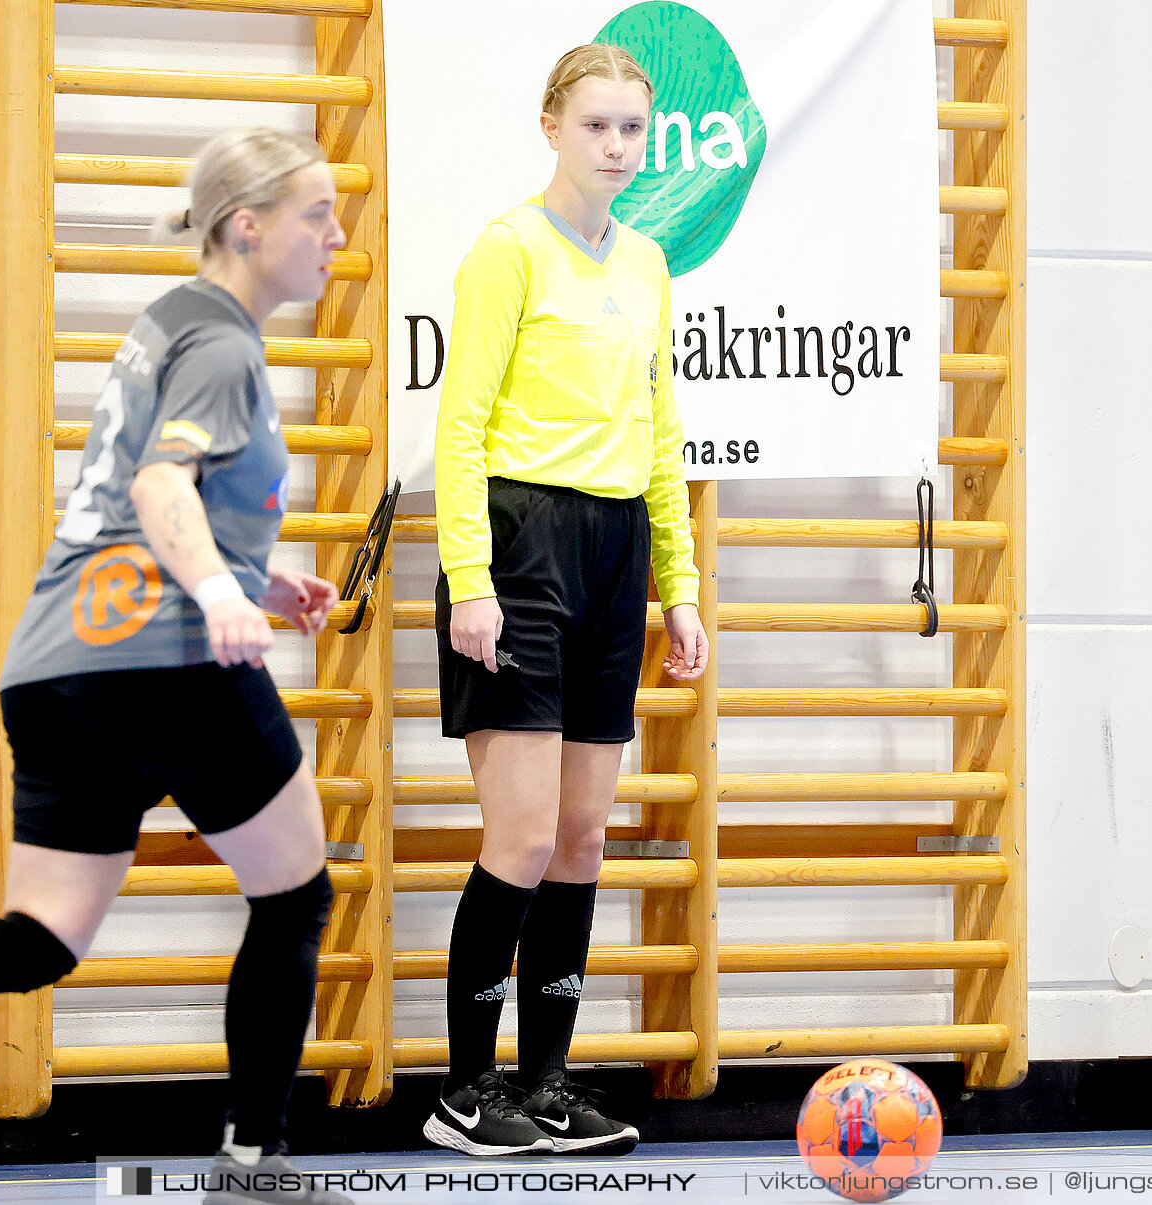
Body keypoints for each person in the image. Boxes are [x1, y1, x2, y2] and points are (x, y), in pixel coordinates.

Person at [0, 128, 352, 1205]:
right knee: (294, 895)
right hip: (165, 659)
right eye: (316, 214)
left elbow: (130, 508)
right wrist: (224, 594)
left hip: (57, 665)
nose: (335, 235)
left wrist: (258, 576)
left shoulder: (165, 324)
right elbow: (157, 491)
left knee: (43, 935)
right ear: (248, 226)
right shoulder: (228, 344)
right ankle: (255, 1165)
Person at [425, 44, 710, 1159]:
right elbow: (459, 429)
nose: (616, 147)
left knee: (585, 835)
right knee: (526, 829)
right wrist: (470, 577)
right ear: (551, 126)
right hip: (519, 540)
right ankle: (465, 1088)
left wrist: (677, 584)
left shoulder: (647, 263)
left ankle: (543, 1083)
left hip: (613, 549)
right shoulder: (507, 252)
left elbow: (661, 430)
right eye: (596, 126)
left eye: (632, 130)